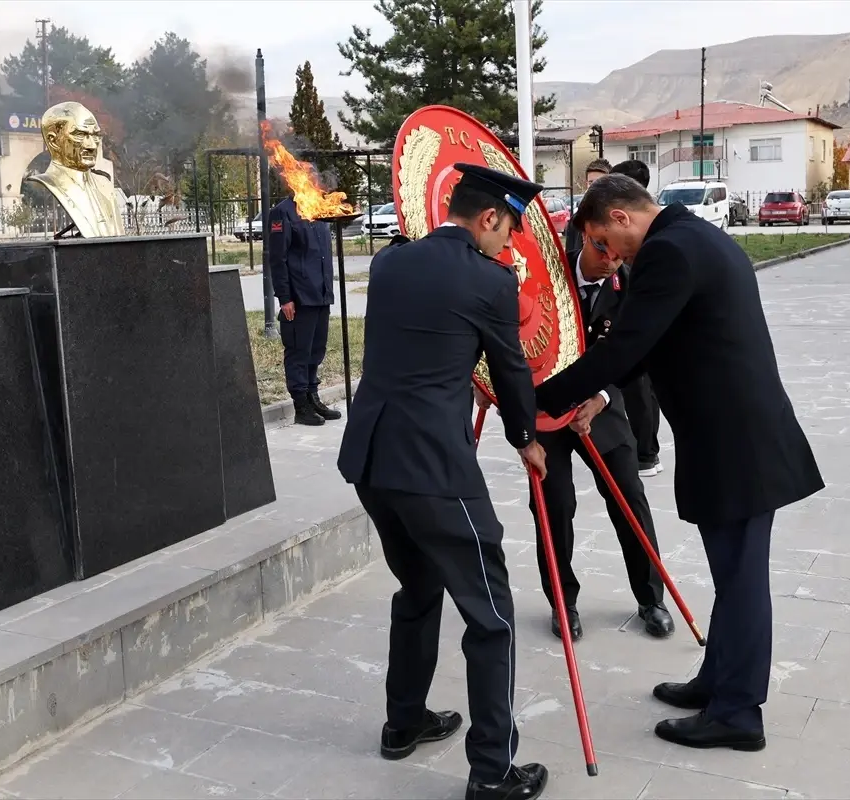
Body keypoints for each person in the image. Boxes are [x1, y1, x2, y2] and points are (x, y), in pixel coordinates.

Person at [535, 175, 824, 753]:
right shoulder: (694, 238)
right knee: (732, 576)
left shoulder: (668, 251)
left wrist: (538, 398)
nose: (606, 257)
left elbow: (625, 347)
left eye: (601, 241)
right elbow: (655, 348)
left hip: (735, 443)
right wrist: (596, 394)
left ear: (619, 216)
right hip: (736, 435)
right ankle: (717, 683)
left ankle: (738, 714)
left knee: (741, 580)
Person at [337, 163, 550, 800]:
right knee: (492, 617)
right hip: (435, 469)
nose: (506, 243)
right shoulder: (489, 282)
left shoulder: (389, 263)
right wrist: (526, 439)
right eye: (506, 229)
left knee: (418, 585)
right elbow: (511, 370)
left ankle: (403, 722)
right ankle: (492, 773)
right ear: (488, 218)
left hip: (373, 462)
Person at [473, 231, 674, 642]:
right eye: (604, 251)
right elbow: (506, 330)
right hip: (544, 409)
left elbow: (636, 354)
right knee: (553, 506)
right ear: (589, 235)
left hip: (599, 408)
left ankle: (651, 598)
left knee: (629, 500)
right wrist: (484, 378)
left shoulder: (630, 285)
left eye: (620, 258)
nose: (611, 263)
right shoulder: (546, 270)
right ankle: (562, 602)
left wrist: (601, 397)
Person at [608, 159, 663, 477]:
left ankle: (646, 453)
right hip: (614, 312)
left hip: (633, 319)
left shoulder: (659, 247)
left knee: (641, 391)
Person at [268, 192, 341, 426]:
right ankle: (301, 405)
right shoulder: (283, 212)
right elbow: (277, 258)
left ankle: (313, 397)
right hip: (299, 296)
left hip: (320, 293)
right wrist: (285, 297)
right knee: (299, 352)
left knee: (316, 350)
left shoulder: (318, 208)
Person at [564, 158, 611, 254]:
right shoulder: (576, 220)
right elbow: (570, 255)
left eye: (600, 181)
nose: (594, 186)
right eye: (591, 182)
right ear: (586, 184)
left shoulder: (618, 218)